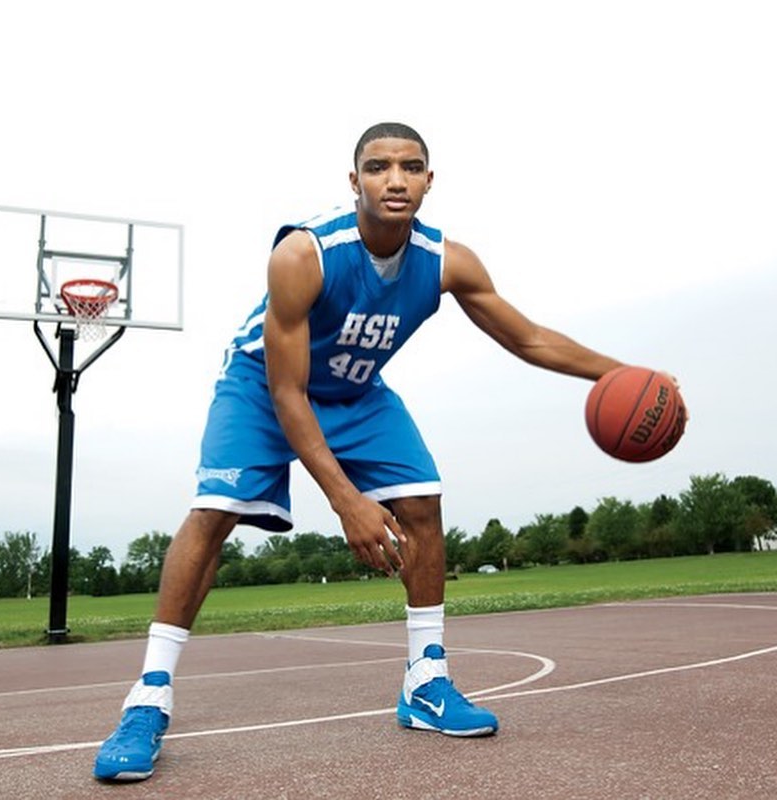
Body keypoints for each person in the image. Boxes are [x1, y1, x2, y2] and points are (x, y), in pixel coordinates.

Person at [93, 122, 625, 781]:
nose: (395, 180)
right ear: (354, 181)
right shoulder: (304, 254)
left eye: (410, 167)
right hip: (264, 384)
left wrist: (626, 376)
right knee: (215, 511)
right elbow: (287, 393)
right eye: (378, 167)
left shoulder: (448, 261)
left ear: (429, 180)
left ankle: (426, 681)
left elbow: (530, 339)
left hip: (353, 388)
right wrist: (347, 502)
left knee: (422, 502)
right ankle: (147, 700)